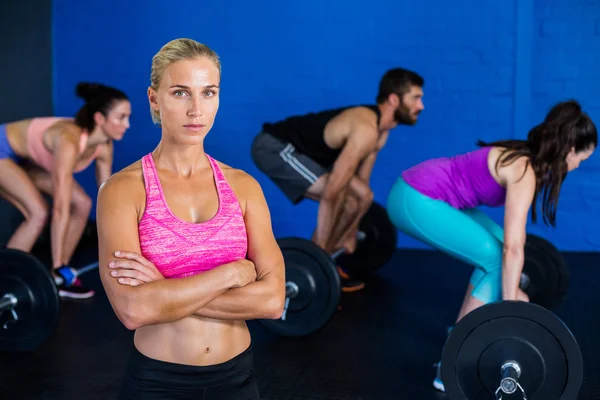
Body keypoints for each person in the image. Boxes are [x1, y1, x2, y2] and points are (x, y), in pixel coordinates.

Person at [96, 38, 285, 400]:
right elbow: (133, 309)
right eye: (181, 93)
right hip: (157, 384)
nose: (196, 110)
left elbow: (272, 301)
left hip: (238, 382)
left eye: (208, 93)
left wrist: (163, 289)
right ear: (154, 99)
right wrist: (231, 274)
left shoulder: (243, 187)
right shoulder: (123, 191)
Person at [385, 99, 597, 392]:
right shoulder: (525, 170)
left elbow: (512, 242)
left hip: (427, 193)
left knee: (496, 248)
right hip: (415, 197)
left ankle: (466, 328)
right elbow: (513, 249)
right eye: (581, 160)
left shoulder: (526, 157)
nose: (576, 167)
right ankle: (454, 361)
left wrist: (513, 295)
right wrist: (512, 309)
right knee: (499, 259)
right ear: (570, 150)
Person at [251, 68, 425, 291]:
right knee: (339, 195)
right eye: (416, 98)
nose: (421, 106)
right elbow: (333, 190)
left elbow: (363, 186)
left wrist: (351, 232)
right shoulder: (366, 128)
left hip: (307, 155)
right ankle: (316, 264)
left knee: (363, 197)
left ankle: (326, 262)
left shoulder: (381, 132)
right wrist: (320, 253)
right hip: (275, 147)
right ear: (394, 99)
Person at [0, 82, 131, 299]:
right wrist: (59, 262)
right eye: (121, 117)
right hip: (3, 151)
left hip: (26, 160)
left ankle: (58, 278)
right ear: (99, 119)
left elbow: (106, 197)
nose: (126, 125)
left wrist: (128, 234)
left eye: (128, 117)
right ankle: (7, 281)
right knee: (38, 213)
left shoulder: (104, 146)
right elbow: (60, 208)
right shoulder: (69, 142)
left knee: (83, 204)